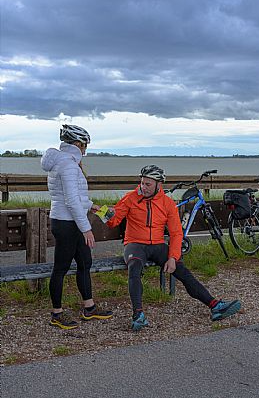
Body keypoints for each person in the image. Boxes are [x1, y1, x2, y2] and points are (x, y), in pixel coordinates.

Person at [107, 164, 241, 331]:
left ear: (158, 185)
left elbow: (177, 233)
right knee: (134, 268)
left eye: (148, 184)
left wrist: (173, 257)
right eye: (142, 183)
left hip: (157, 245)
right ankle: (138, 315)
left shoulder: (167, 203)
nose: (143, 187)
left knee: (182, 270)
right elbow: (113, 220)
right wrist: (102, 212)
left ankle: (215, 306)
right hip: (135, 244)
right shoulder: (130, 198)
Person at [41, 124, 113, 329]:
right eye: (85, 146)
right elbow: (71, 201)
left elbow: (75, 197)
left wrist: (93, 206)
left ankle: (89, 308)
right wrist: (86, 228)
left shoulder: (65, 162)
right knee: (61, 268)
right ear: (78, 144)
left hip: (70, 220)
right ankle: (56, 314)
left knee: (84, 263)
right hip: (67, 223)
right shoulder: (69, 165)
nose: (85, 150)